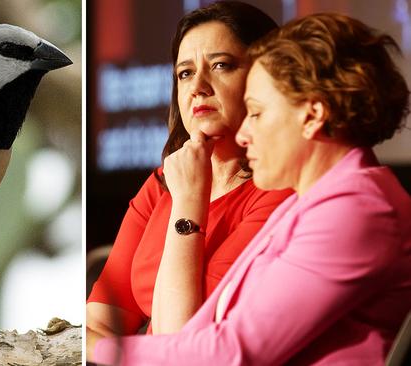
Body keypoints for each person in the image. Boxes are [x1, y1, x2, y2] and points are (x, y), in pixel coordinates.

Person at [89, 12, 411, 365]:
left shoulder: (356, 207)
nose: (243, 134)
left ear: (313, 114)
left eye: (256, 113)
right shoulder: (318, 202)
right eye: (183, 73)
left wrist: (97, 349)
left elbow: (228, 352)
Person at [87, 1, 292, 355]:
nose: (198, 86)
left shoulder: (281, 192)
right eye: (184, 73)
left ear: (265, 79)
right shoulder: (163, 181)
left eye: (221, 65)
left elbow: (181, 346)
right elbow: (96, 324)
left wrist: (187, 202)